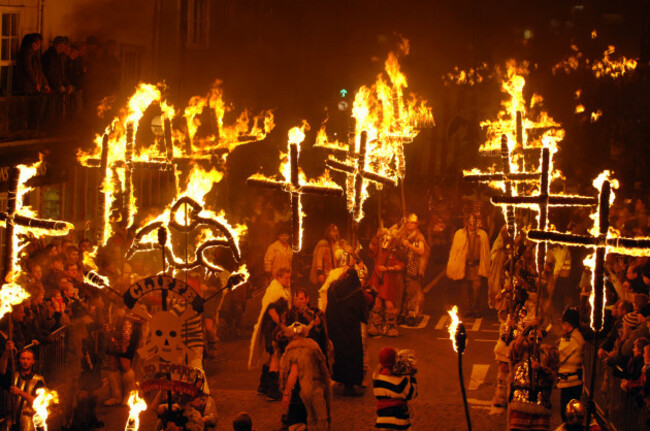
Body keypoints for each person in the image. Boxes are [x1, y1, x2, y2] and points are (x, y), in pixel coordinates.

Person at [249, 267, 292, 401]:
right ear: (279, 278)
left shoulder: (279, 289)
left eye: (289, 277)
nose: (288, 280)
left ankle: (264, 385)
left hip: (273, 329)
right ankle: (272, 390)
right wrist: (282, 326)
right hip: (272, 330)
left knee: (272, 356)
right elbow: (272, 311)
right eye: (286, 277)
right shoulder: (275, 290)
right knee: (276, 355)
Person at [279, 321, 332, 431]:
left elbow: (294, 373)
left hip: (301, 393)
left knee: (299, 425)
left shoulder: (295, 350)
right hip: (317, 391)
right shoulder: (313, 346)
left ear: (292, 336)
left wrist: (286, 393)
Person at [325, 267, 369, 396]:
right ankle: (350, 385)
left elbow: (329, 308)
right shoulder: (356, 292)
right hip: (351, 331)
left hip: (337, 329)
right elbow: (363, 312)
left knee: (340, 356)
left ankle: (340, 379)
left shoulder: (333, 289)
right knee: (352, 357)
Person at [508, 327, 559, 431]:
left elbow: (553, 377)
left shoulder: (547, 354)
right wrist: (530, 326)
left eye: (539, 339)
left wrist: (540, 368)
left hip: (540, 405)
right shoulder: (520, 353)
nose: (536, 342)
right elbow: (518, 343)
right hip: (520, 404)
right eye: (532, 339)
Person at [447, 213, 490, 317]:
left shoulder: (482, 235)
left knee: (477, 289)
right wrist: (454, 266)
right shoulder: (459, 234)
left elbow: (486, 253)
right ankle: (467, 309)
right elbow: (455, 252)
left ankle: (475, 309)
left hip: (476, 266)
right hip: (464, 266)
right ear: (466, 223)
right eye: (470, 224)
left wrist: (485, 267)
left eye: (474, 224)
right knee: (465, 290)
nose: (472, 226)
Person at [368, 229, 405, 337]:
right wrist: (376, 235)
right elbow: (371, 246)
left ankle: (391, 327)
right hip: (377, 279)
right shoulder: (379, 250)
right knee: (377, 301)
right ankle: (376, 325)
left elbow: (401, 266)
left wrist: (388, 268)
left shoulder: (396, 252)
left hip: (389, 280)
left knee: (389, 303)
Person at [0, 343, 46, 431]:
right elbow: (2, 372)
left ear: (33, 361)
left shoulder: (38, 381)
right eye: (23, 358)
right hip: (10, 420)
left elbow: (39, 402)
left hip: (27, 421)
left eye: (28, 359)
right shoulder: (13, 376)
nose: (25, 361)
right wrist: (6, 353)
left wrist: (20, 392)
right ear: (19, 360)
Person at [372, 347, 417, 430]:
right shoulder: (400, 380)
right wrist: (411, 376)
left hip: (382, 418)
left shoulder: (377, 378)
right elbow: (412, 394)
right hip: (399, 417)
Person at [397, 214, 428, 327]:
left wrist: (409, 245)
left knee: (412, 293)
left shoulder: (418, 236)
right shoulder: (403, 234)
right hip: (401, 268)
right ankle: (401, 313)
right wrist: (401, 225)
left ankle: (412, 315)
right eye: (408, 222)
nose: (410, 225)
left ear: (416, 224)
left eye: (412, 223)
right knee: (401, 292)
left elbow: (421, 251)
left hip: (412, 268)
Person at [557, 308, 584, 423]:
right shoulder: (573, 337)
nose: (562, 327)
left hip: (571, 383)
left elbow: (558, 355)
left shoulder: (573, 339)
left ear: (568, 324)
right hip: (568, 382)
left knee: (568, 416)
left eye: (563, 324)